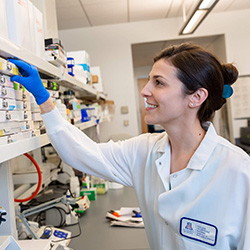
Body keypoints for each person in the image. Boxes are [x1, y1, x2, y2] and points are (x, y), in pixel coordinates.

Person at [9, 42, 250, 250]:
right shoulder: (144, 151)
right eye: (148, 81)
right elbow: (83, 152)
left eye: (159, 83)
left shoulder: (237, 170)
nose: (145, 91)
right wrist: (44, 100)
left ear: (196, 97)